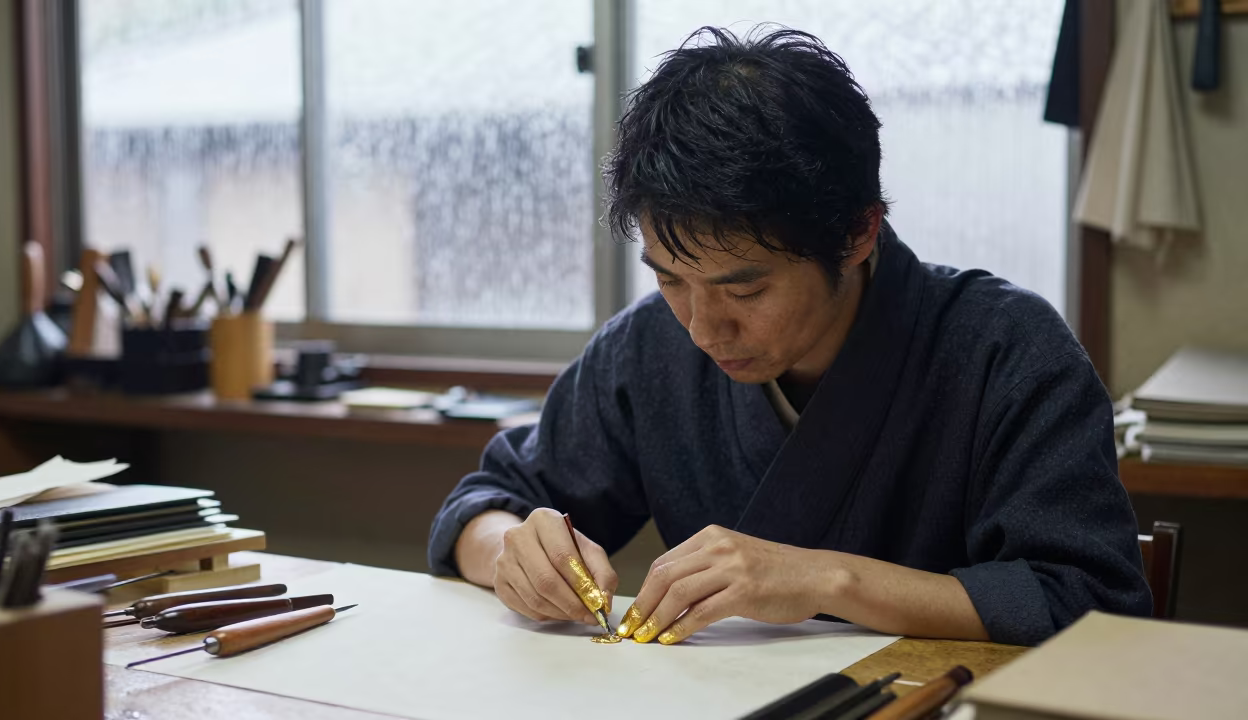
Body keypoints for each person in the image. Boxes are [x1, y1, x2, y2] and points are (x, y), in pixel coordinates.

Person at [428, 26, 1150, 647]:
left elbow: (1090, 603)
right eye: (671, 279)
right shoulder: (649, 348)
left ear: (858, 232)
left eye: (745, 288)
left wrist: (827, 579)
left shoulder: (1004, 350)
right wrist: (509, 551)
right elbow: (490, 499)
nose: (705, 328)